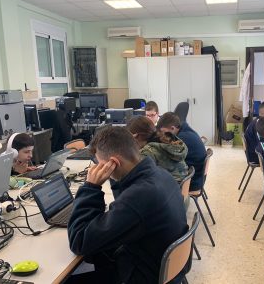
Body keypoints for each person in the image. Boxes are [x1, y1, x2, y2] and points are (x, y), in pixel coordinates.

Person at [67, 127, 188, 284]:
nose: (98, 168)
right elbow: (126, 201)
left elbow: (79, 241)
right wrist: (114, 177)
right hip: (160, 269)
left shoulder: (139, 197)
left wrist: (91, 187)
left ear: (114, 163)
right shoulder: (160, 175)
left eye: (101, 164)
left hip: (141, 275)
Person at [126, 115, 188, 183]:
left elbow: (136, 180)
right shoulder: (166, 142)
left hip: (167, 190)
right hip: (177, 189)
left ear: (136, 136)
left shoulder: (147, 152)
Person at [157, 112, 207, 191]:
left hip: (192, 182)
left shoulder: (182, 139)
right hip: (197, 177)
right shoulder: (185, 130)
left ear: (173, 128)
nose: (163, 135)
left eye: (164, 132)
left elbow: (167, 159)